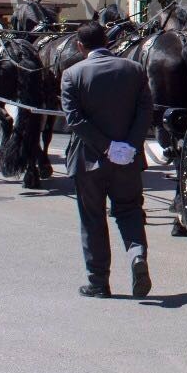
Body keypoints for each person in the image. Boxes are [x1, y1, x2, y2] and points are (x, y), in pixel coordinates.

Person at [59, 19, 154, 299]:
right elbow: (146, 111)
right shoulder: (134, 69)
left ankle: (98, 282)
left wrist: (106, 146)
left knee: (93, 219)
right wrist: (128, 146)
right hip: (127, 161)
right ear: (108, 41)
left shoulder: (72, 74)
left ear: (80, 45)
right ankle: (137, 255)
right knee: (130, 211)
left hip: (89, 160)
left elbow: (74, 120)